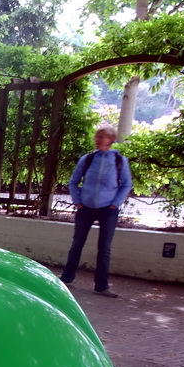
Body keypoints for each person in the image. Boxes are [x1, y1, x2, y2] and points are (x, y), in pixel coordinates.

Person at [59, 126, 133, 298]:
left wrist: (115, 203)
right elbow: (74, 181)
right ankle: (66, 278)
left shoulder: (119, 160)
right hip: (86, 207)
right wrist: (77, 201)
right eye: (97, 136)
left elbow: (126, 184)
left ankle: (101, 286)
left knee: (104, 247)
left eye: (103, 137)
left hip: (108, 209)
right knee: (77, 244)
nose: (98, 139)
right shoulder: (88, 159)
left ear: (111, 140)